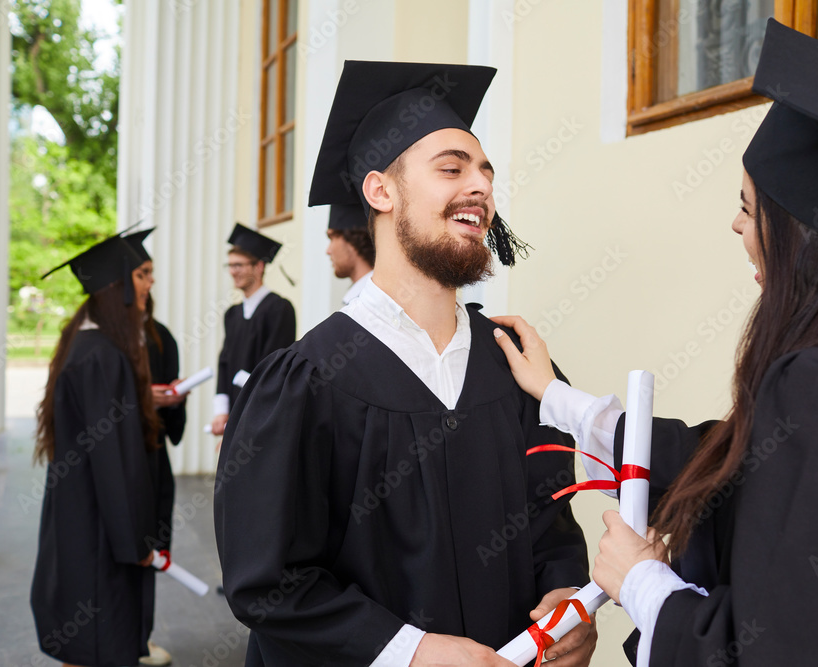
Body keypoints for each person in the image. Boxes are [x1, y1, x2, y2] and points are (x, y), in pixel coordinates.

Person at [491, 20, 818, 667]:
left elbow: (790, 651)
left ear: (801, 235)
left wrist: (641, 581)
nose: (736, 224)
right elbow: (734, 467)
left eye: (748, 205)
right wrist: (559, 399)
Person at [214, 61, 594, 666]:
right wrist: (410, 652)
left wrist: (565, 597)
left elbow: (550, 523)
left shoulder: (515, 368)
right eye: (452, 168)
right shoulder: (306, 381)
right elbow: (270, 584)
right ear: (380, 191)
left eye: (485, 172)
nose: (481, 187)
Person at [31, 233, 161, 667]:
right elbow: (116, 465)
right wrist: (137, 542)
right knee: (99, 639)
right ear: (116, 291)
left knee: (83, 640)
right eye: (139, 279)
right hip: (101, 529)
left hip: (78, 513)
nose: (147, 287)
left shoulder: (81, 342)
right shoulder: (103, 357)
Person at [123, 227, 187, 667]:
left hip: (154, 459)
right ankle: (120, 638)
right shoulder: (108, 341)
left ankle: (140, 638)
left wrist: (174, 399)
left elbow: (172, 419)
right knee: (125, 548)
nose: (151, 282)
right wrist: (144, 399)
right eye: (142, 274)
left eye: (151, 273)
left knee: (153, 544)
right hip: (122, 461)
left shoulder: (162, 336)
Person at [211, 223, 296, 435]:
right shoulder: (232, 314)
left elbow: (273, 368)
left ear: (258, 267)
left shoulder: (279, 309)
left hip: (263, 411)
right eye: (230, 265)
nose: (233, 272)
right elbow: (225, 363)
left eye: (239, 265)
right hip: (235, 413)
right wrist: (221, 411)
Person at [326, 202, 376, 305]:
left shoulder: (369, 301)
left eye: (332, 238)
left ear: (352, 240)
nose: (328, 250)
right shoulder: (360, 296)